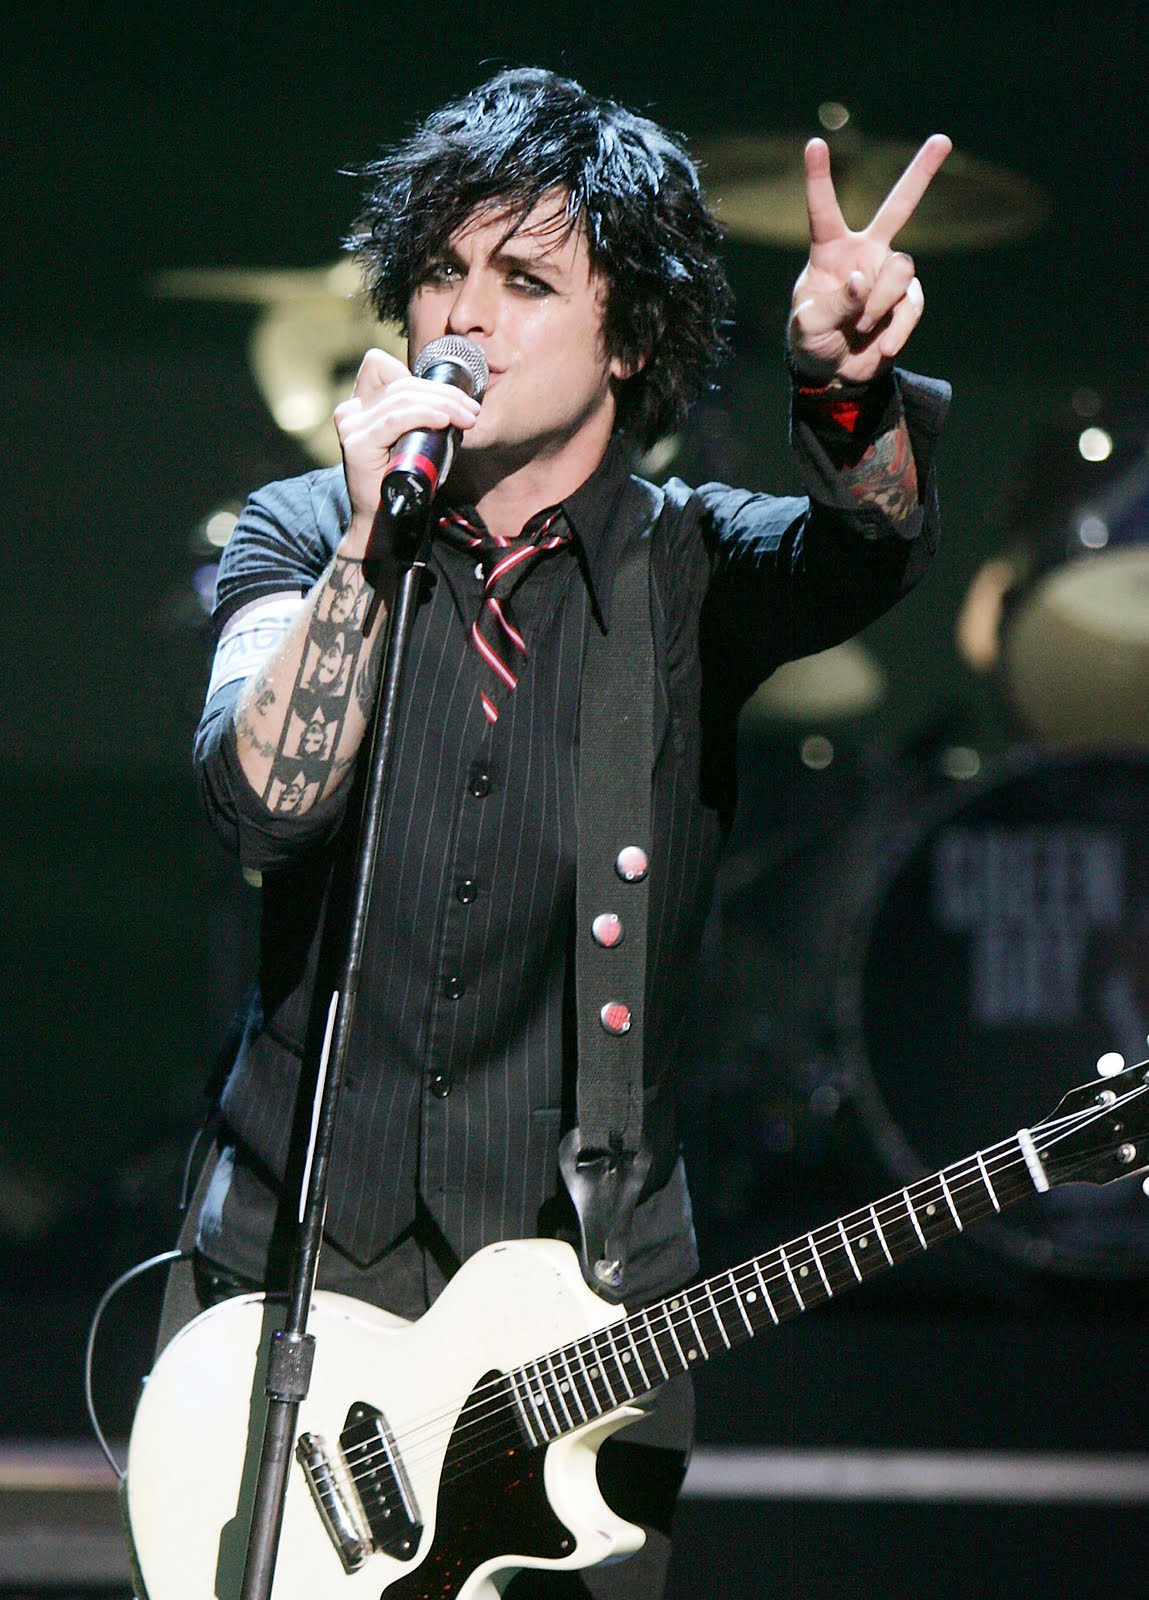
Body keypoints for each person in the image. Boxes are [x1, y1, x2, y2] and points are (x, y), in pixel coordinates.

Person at [163, 67, 951, 1598]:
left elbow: (868, 546)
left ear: (630, 336)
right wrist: (369, 546)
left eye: (523, 282)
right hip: (291, 1287)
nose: (462, 318)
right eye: (440, 273)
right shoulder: (305, 531)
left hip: (580, 1318)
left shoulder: (688, 568)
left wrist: (843, 386)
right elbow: (261, 800)